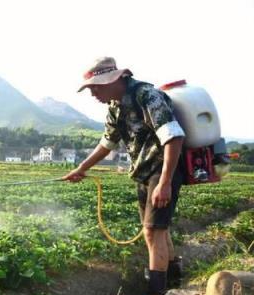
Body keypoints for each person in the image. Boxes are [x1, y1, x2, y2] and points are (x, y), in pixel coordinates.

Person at [63, 57, 185, 295]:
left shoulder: (147, 96)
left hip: (162, 169)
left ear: (113, 80)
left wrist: (165, 182)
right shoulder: (114, 108)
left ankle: (156, 290)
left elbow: (174, 137)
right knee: (158, 229)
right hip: (144, 171)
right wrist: (81, 168)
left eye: (96, 87)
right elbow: (106, 144)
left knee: (152, 231)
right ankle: (174, 282)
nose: (93, 94)